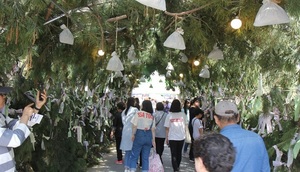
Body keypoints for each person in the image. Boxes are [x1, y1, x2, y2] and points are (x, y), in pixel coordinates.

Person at [214, 100, 270, 172]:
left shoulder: (214, 143)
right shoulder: (257, 139)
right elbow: (265, 169)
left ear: (216, 119)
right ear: (238, 117)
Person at [0, 86, 47, 171]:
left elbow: (20, 125)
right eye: (2, 94)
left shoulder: (1, 117)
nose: (4, 97)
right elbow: (15, 139)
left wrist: (36, 108)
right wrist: (25, 115)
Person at [129, 100, 156, 172]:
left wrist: (133, 134)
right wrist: (153, 140)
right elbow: (153, 129)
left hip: (139, 134)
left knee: (134, 155)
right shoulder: (152, 116)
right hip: (148, 136)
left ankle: (132, 170)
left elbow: (134, 125)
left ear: (143, 106)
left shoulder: (138, 114)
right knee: (145, 158)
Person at [164, 99, 188, 172]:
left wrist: (166, 138)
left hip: (172, 137)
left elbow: (167, 128)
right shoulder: (183, 115)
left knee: (173, 154)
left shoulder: (169, 115)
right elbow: (186, 125)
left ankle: (175, 169)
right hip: (181, 137)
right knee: (179, 153)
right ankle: (177, 166)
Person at [120, 97, 138, 172]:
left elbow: (123, 122)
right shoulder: (135, 110)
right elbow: (137, 121)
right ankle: (132, 167)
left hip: (125, 132)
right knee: (133, 150)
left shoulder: (124, 112)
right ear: (133, 102)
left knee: (127, 151)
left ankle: (126, 167)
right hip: (132, 131)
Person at [188, 97, 201, 161]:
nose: (198, 103)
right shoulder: (192, 108)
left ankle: (193, 155)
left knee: (194, 140)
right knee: (193, 140)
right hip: (193, 125)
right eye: (197, 102)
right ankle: (191, 155)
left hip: (195, 125)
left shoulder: (195, 108)